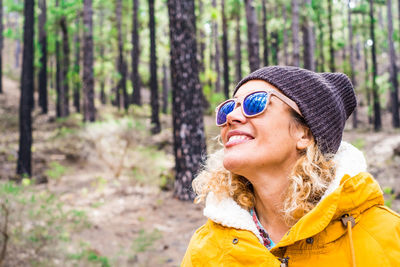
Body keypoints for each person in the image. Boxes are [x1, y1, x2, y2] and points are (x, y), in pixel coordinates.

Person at [181, 66, 400, 267]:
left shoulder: (388, 236)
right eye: (228, 108)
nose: (231, 116)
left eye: (254, 103)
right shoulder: (205, 250)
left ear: (304, 133)